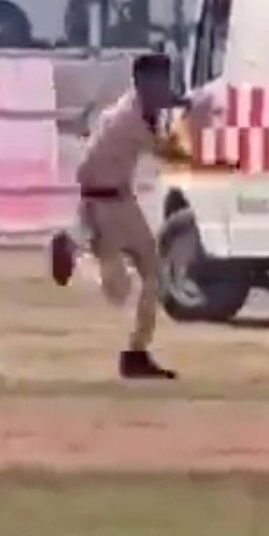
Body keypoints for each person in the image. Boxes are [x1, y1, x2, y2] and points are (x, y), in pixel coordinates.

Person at [49, 52, 187, 380]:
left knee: (135, 282)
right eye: (158, 81)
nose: (163, 88)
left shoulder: (135, 108)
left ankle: (75, 242)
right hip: (109, 202)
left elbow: (166, 108)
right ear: (141, 83)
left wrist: (181, 104)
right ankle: (71, 244)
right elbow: (168, 151)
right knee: (129, 286)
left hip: (109, 199)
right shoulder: (131, 118)